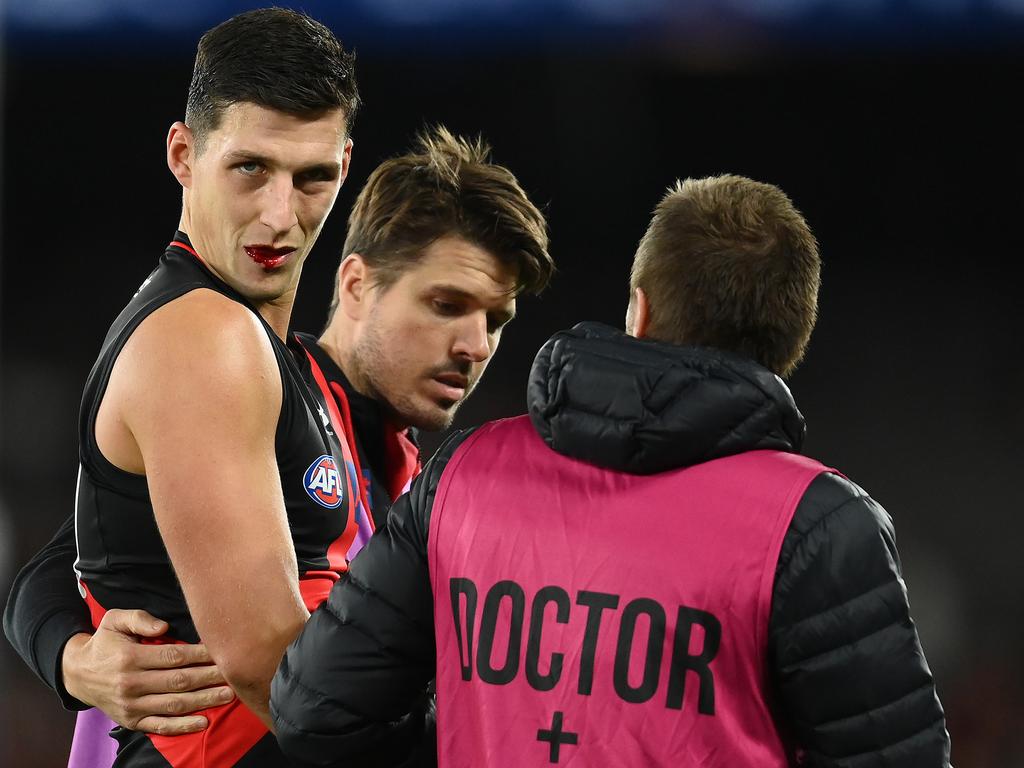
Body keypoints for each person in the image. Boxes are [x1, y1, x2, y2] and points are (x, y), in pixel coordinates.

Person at [3, 7, 553, 766]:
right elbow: (276, 673)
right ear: (184, 154)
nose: (279, 216)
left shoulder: (291, 377)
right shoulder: (208, 339)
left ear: (344, 167)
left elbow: (79, 549)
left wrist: (66, 652)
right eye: (251, 168)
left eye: (313, 178)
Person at [270, 174, 952, 767]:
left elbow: (317, 715)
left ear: (639, 309)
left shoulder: (465, 473)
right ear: (792, 341)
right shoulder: (820, 526)